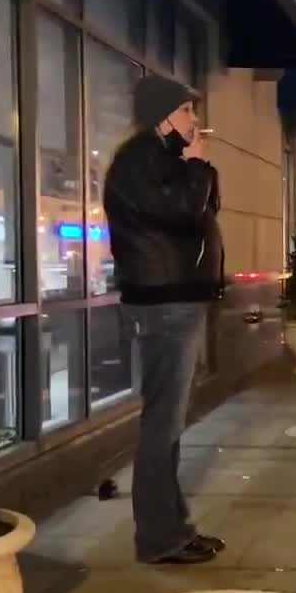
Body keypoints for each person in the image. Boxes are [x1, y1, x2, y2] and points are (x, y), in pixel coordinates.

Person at [103, 75, 225, 565]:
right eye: (187, 112)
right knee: (163, 426)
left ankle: (173, 528)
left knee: (168, 426)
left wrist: (197, 167)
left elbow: (202, 207)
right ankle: (159, 538)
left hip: (176, 301)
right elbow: (180, 211)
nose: (195, 121)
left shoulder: (161, 159)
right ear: (164, 115)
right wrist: (196, 166)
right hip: (164, 305)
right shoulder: (139, 161)